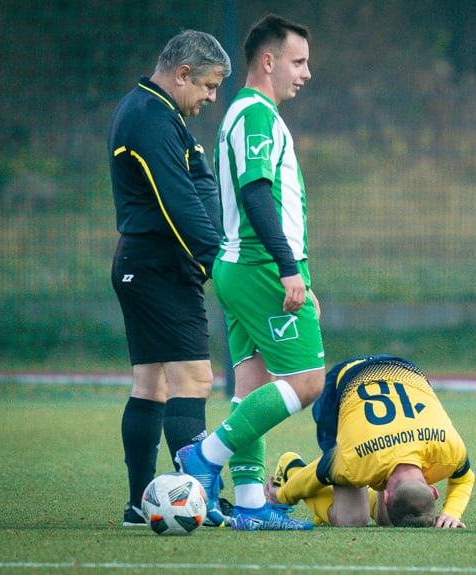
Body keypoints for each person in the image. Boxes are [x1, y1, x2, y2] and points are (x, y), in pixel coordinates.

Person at [176, 14, 325, 531]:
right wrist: (289, 270)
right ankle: (205, 458)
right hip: (260, 265)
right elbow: (256, 194)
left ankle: (251, 505)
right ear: (268, 61)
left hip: (244, 264)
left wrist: (301, 272)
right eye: (298, 61)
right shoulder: (255, 114)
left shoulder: (246, 114)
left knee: (251, 387)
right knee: (307, 382)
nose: (306, 72)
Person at [108, 30, 231, 527]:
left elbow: (200, 185)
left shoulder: (157, 112)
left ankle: (142, 504)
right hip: (160, 266)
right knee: (193, 380)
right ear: (182, 74)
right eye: (207, 85)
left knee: (152, 384)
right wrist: (217, 263)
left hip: (146, 264)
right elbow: (179, 202)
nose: (211, 96)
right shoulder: (151, 119)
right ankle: (194, 499)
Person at [265, 355, 474, 528]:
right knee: (352, 519)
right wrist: (282, 495)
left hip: (405, 371)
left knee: (389, 519)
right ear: (433, 492)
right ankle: (290, 466)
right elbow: (318, 472)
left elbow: (465, 477)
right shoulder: (354, 459)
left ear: (434, 491)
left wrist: (452, 513)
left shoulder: (450, 448)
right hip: (340, 384)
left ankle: (345, 499)